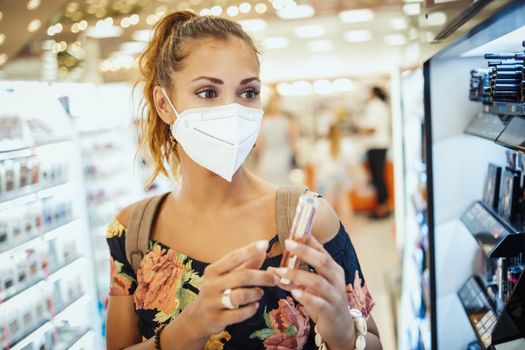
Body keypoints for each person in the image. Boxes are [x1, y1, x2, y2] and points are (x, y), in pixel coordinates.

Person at [105, 11, 382, 350]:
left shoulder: (307, 219)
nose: (233, 110)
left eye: (248, 92)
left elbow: (373, 341)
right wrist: (191, 326)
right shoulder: (132, 231)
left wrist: (341, 330)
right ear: (165, 105)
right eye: (208, 92)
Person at [358, 86, 391, 219]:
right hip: (381, 145)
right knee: (380, 177)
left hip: (375, 145)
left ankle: (382, 207)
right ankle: (384, 206)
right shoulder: (382, 106)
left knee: (378, 178)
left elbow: (372, 127)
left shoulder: (373, 106)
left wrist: (360, 129)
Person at [312, 123, 354, 224]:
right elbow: (351, 164)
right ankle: (348, 226)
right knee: (344, 202)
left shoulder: (321, 145)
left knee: (327, 203)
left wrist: (314, 182)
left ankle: (328, 227)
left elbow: (316, 165)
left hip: (325, 177)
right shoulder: (346, 144)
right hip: (341, 176)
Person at [255, 93, 298, 185]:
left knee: (268, 187)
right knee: (284, 187)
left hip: (267, 159)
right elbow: (294, 142)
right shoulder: (286, 121)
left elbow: (258, 146)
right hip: (284, 158)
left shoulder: (263, 123)